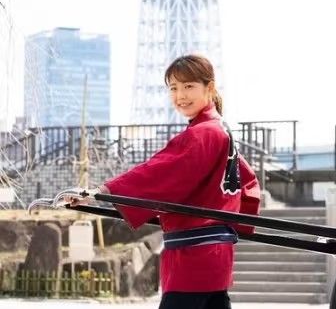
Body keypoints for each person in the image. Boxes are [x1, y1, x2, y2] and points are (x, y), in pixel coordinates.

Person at [68, 54, 261, 309]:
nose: (180, 95)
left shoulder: (204, 133)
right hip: (214, 252)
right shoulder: (220, 130)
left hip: (193, 255)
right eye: (174, 88)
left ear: (209, 87)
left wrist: (100, 192)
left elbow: (159, 173)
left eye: (189, 86)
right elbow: (247, 184)